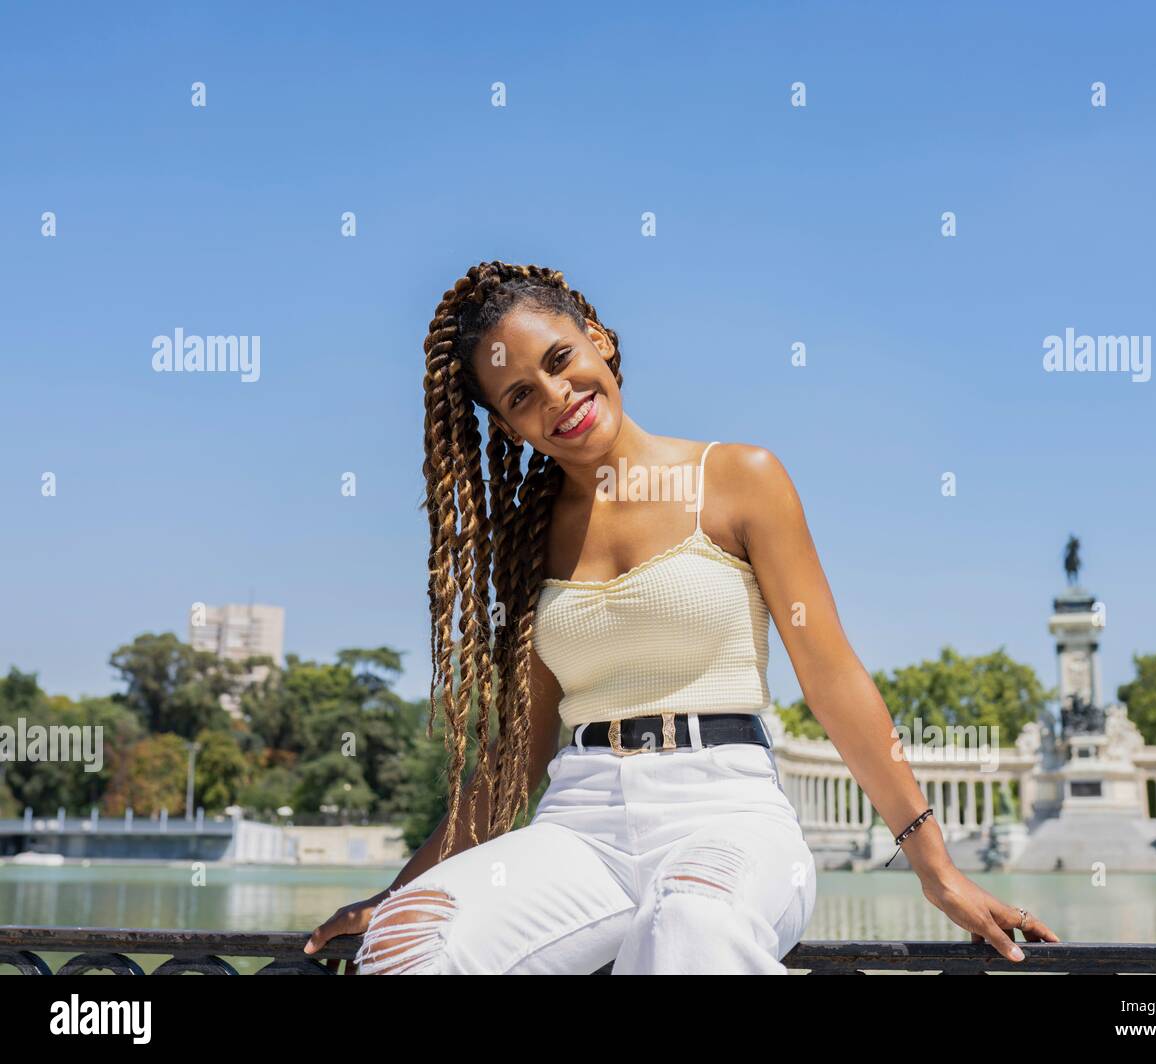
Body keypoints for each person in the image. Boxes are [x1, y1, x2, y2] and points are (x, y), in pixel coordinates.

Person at [303, 259, 1061, 974]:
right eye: (521, 396)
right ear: (508, 428)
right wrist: (398, 893)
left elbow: (832, 682)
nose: (556, 396)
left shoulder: (737, 480)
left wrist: (936, 869)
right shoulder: (528, 543)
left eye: (560, 360)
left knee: (692, 924)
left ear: (596, 340)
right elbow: (519, 758)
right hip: (580, 826)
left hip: (728, 815)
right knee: (410, 946)